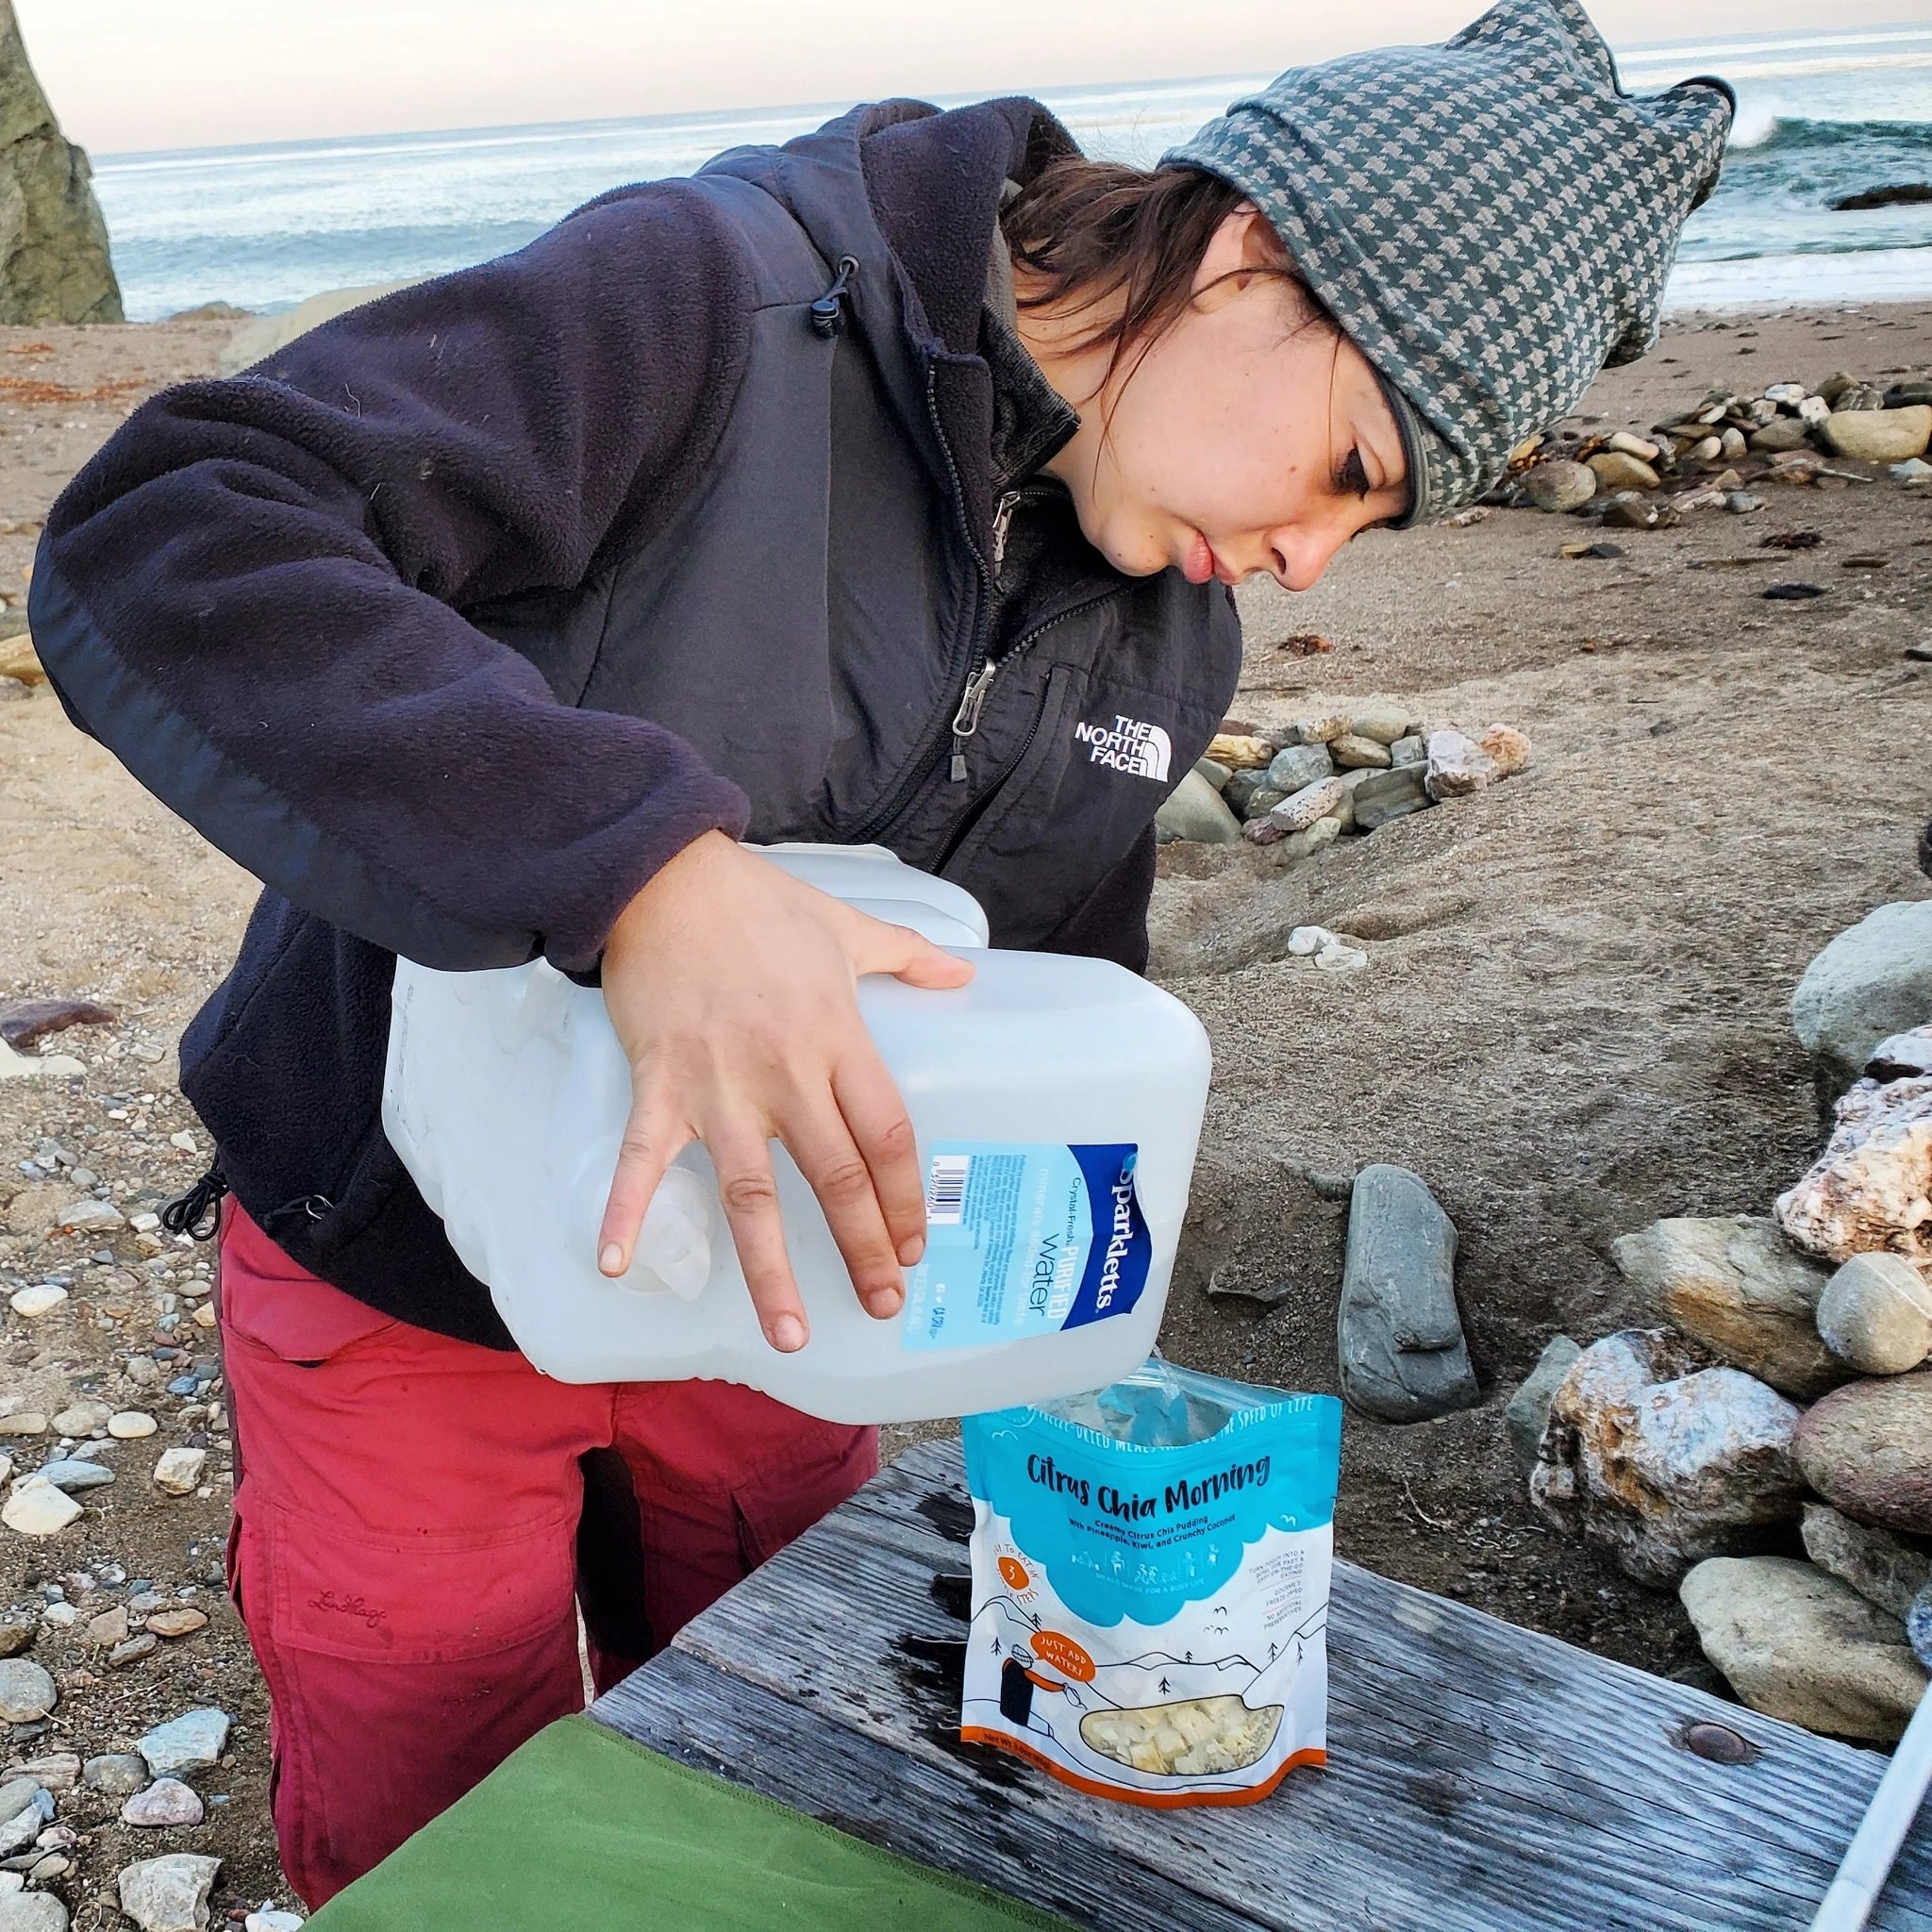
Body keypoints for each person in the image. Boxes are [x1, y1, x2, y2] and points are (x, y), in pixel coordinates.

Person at [30, 0, 1730, 1904]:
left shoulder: (1168, 637)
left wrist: (1066, 1377)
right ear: (1252, 255)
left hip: (779, 1300)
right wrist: (643, 871)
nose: (1314, 558)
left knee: (770, 1753)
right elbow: (179, 527)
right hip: (400, 1257)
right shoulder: (719, 303)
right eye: (1347, 466)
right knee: (447, 1818)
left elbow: (1052, 1019)